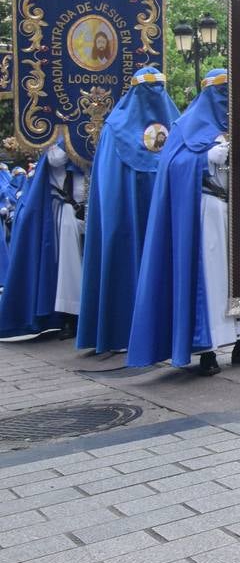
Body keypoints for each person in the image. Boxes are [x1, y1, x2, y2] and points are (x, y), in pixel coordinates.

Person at [127, 69, 240, 375]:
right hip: (212, 207)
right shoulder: (186, 126)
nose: (228, 100)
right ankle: (207, 348)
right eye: (223, 93)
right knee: (213, 279)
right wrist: (206, 157)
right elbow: (173, 165)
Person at [75, 66, 180, 354]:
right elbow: (109, 186)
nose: (154, 97)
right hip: (128, 216)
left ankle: (169, 331)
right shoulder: (115, 128)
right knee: (125, 262)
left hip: (165, 213)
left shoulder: (177, 123)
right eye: (149, 90)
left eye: (159, 89)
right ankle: (121, 331)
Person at [0, 142, 88, 341]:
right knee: (69, 267)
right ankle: (71, 317)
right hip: (68, 210)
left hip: (94, 206)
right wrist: (71, 137)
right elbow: (55, 159)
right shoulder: (61, 139)